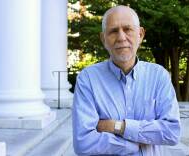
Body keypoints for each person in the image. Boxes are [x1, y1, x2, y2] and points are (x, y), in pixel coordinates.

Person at [72, 5, 181, 156]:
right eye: (113, 31)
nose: (121, 37)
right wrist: (133, 145)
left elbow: (172, 132)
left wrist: (118, 127)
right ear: (103, 39)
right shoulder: (88, 79)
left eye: (127, 29)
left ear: (140, 34)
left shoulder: (158, 76)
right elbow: (83, 143)